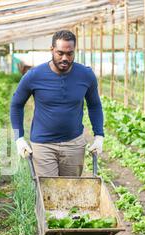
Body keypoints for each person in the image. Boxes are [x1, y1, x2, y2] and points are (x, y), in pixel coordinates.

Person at [10, 30, 104, 177]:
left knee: (70, 191)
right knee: (47, 192)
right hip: (43, 145)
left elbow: (94, 105)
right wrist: (19, 137)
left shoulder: (85, 75)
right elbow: (16, 104)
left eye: (70, 53)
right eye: (60, 53)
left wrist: (99, 136)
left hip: (74, 144)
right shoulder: (34, 76)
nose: (65, 58)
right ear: (52, 50)